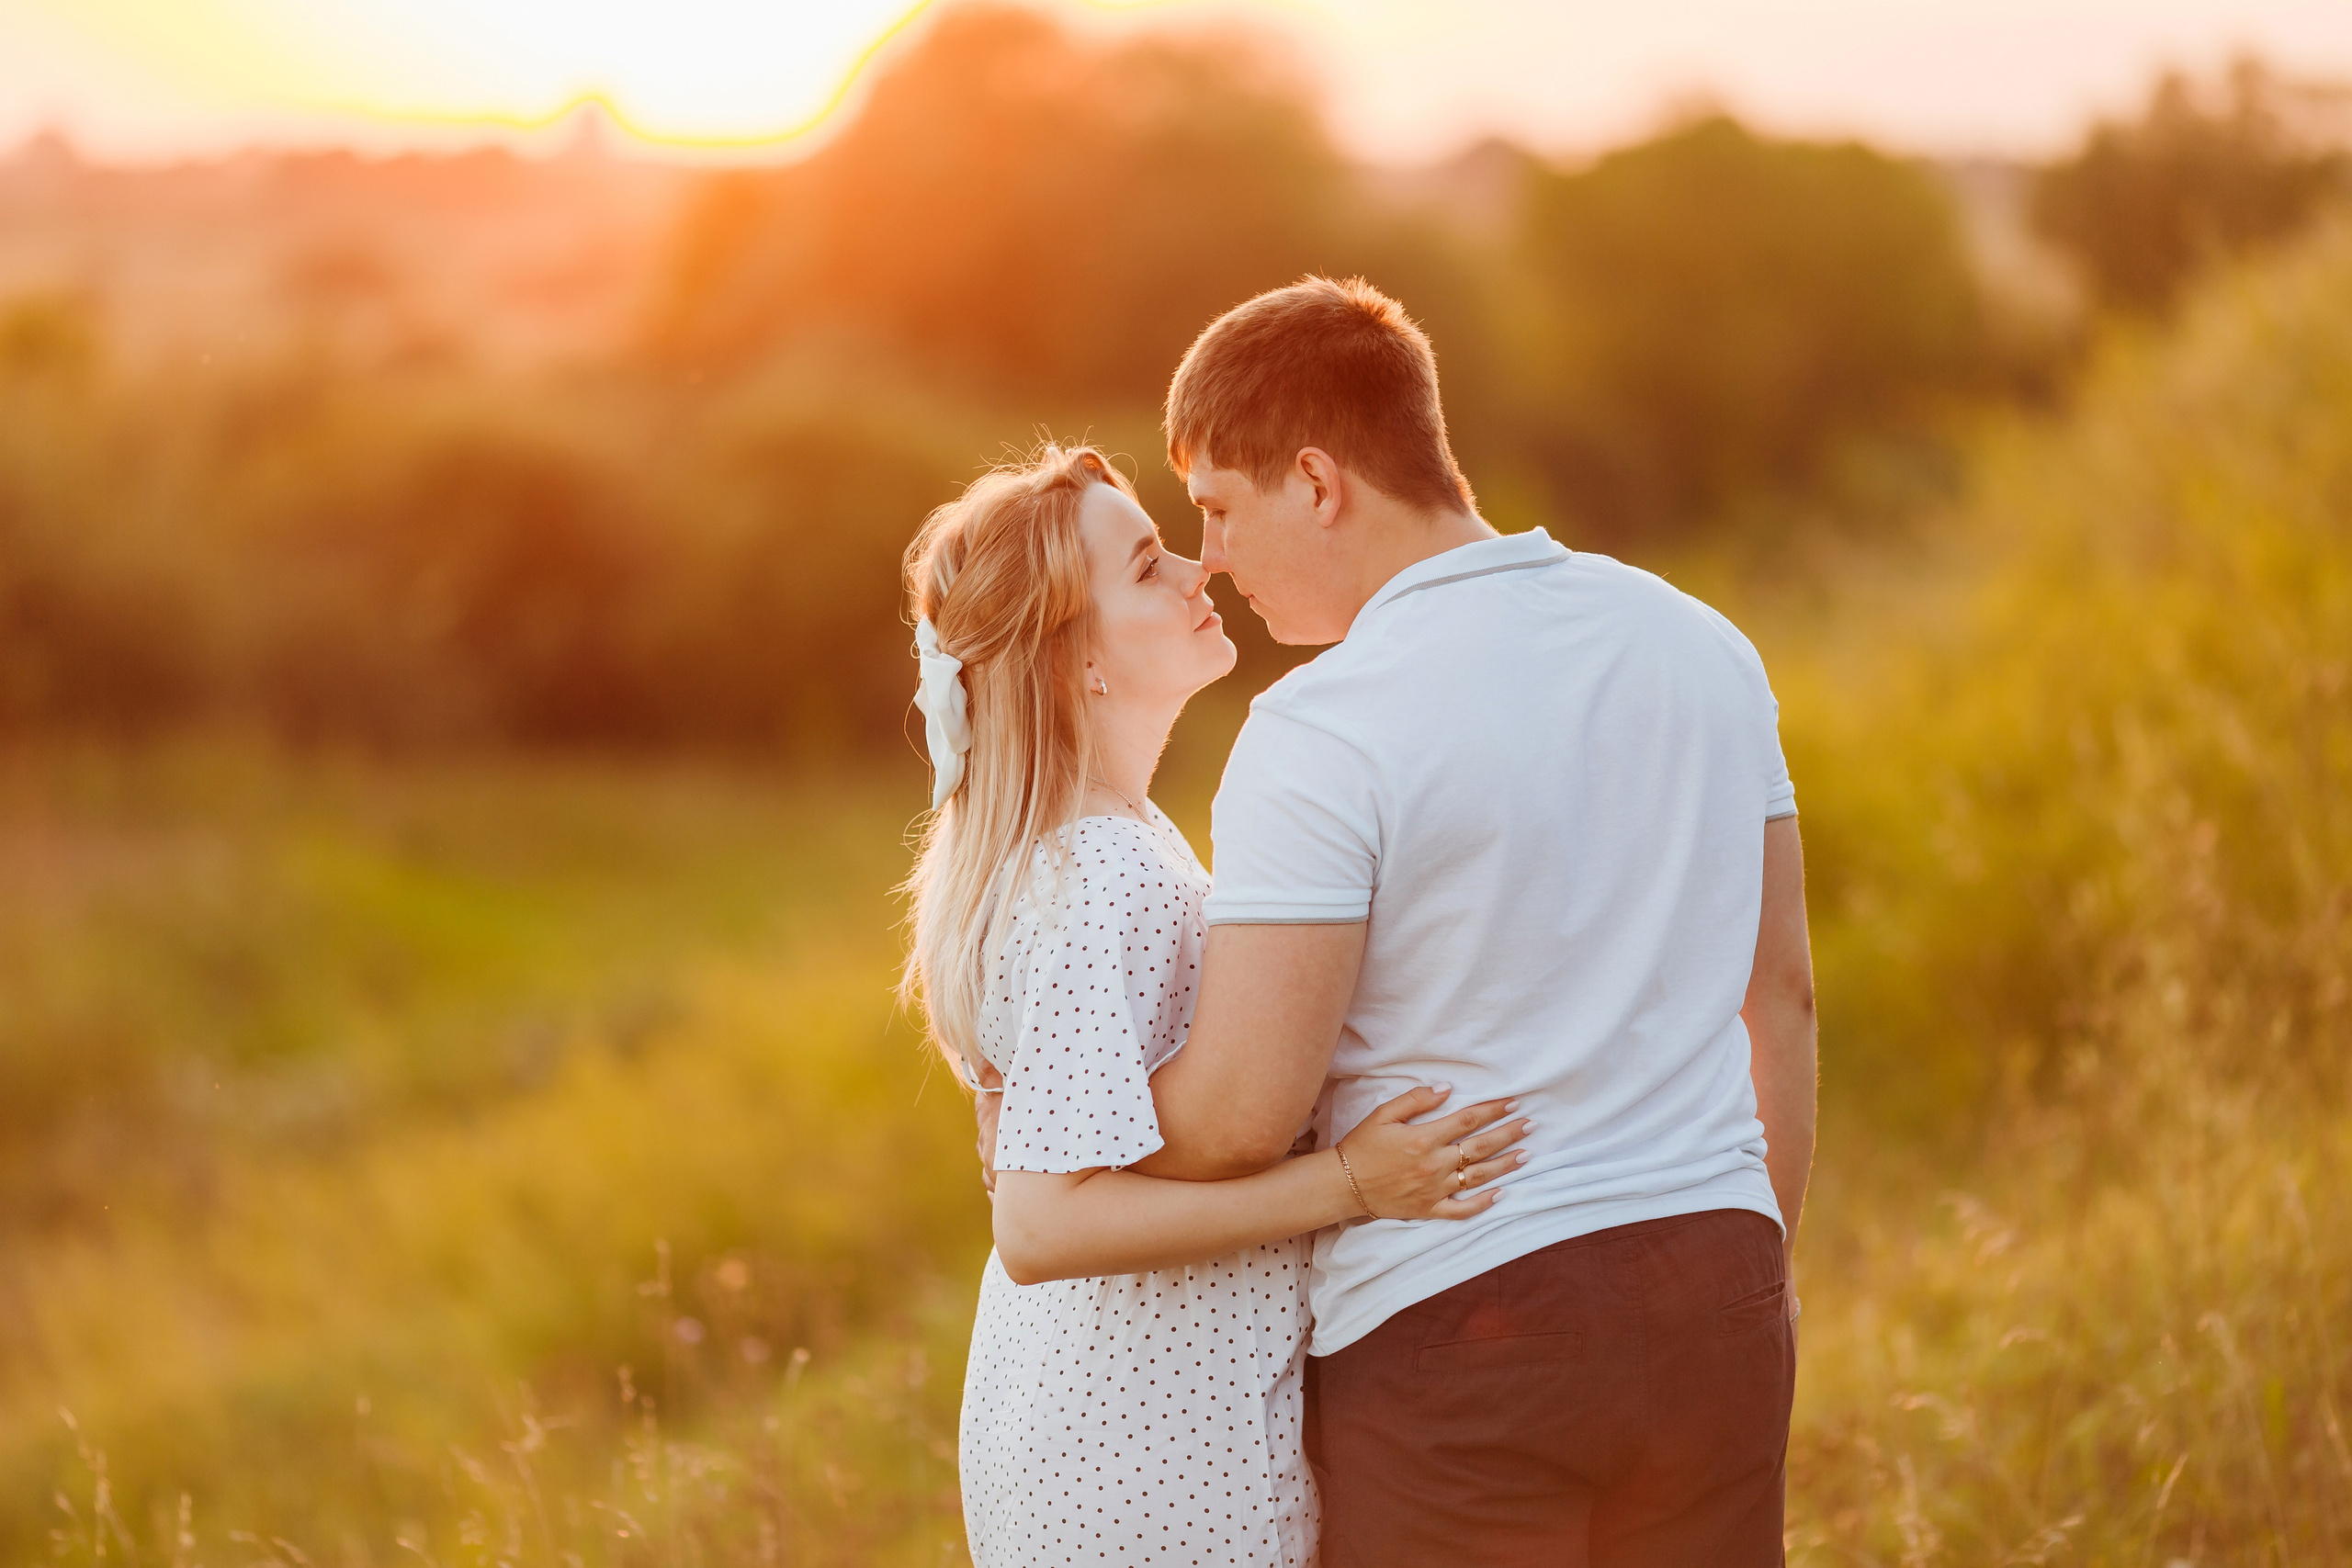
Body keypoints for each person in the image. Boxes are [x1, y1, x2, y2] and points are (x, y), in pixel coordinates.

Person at [984, 276, 1818, 1565]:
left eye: (1219, 507)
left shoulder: (1322, 727)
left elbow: (1242, 1115)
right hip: (1721, 1282)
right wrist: (1760, 1259)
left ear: (1317, 482)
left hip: (1462, 1318)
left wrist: (1064, 1137)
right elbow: (1782, 1000)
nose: (1212, 557)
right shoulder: (1702, 644)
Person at [898, 444, 1533, 1568]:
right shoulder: (1099, 871)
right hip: (1143, 1461)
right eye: (1148, 566)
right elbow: (1041, 1225)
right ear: (1075, 660)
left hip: (1111, 1428)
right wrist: (1352, 1184)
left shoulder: (1111, 845)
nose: (1200, 571)